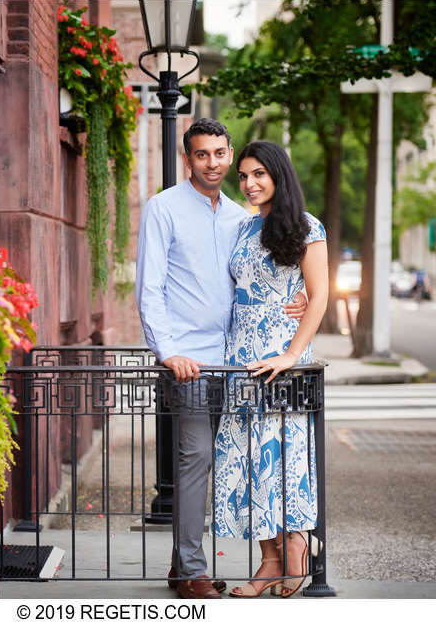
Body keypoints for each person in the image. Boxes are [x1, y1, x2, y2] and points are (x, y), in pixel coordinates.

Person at [135, 120, 305, 599]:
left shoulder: (242, 217)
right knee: (197, 457)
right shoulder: (162, 208)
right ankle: (192, 571)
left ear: (229, 155)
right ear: (187, 159)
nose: (212, 162)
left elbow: (273, 273)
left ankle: (191, 567)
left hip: (238, 362)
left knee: (242, 457)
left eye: (219, 153)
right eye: (201, 154)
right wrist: (168, 352)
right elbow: (148, 288)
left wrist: (306, 300)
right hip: (187, 361)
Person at [210, 140, 328, 598]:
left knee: (283, 459)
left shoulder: (306, 227)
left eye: (258, 174)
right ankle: (268, 562)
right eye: (243, 176)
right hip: (240, 362)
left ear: (278, 174)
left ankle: (298, 547)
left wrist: (291, 353)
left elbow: (318, 296)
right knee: (246, 461)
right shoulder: (243, 228)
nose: (249, 183)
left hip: (281, 364)